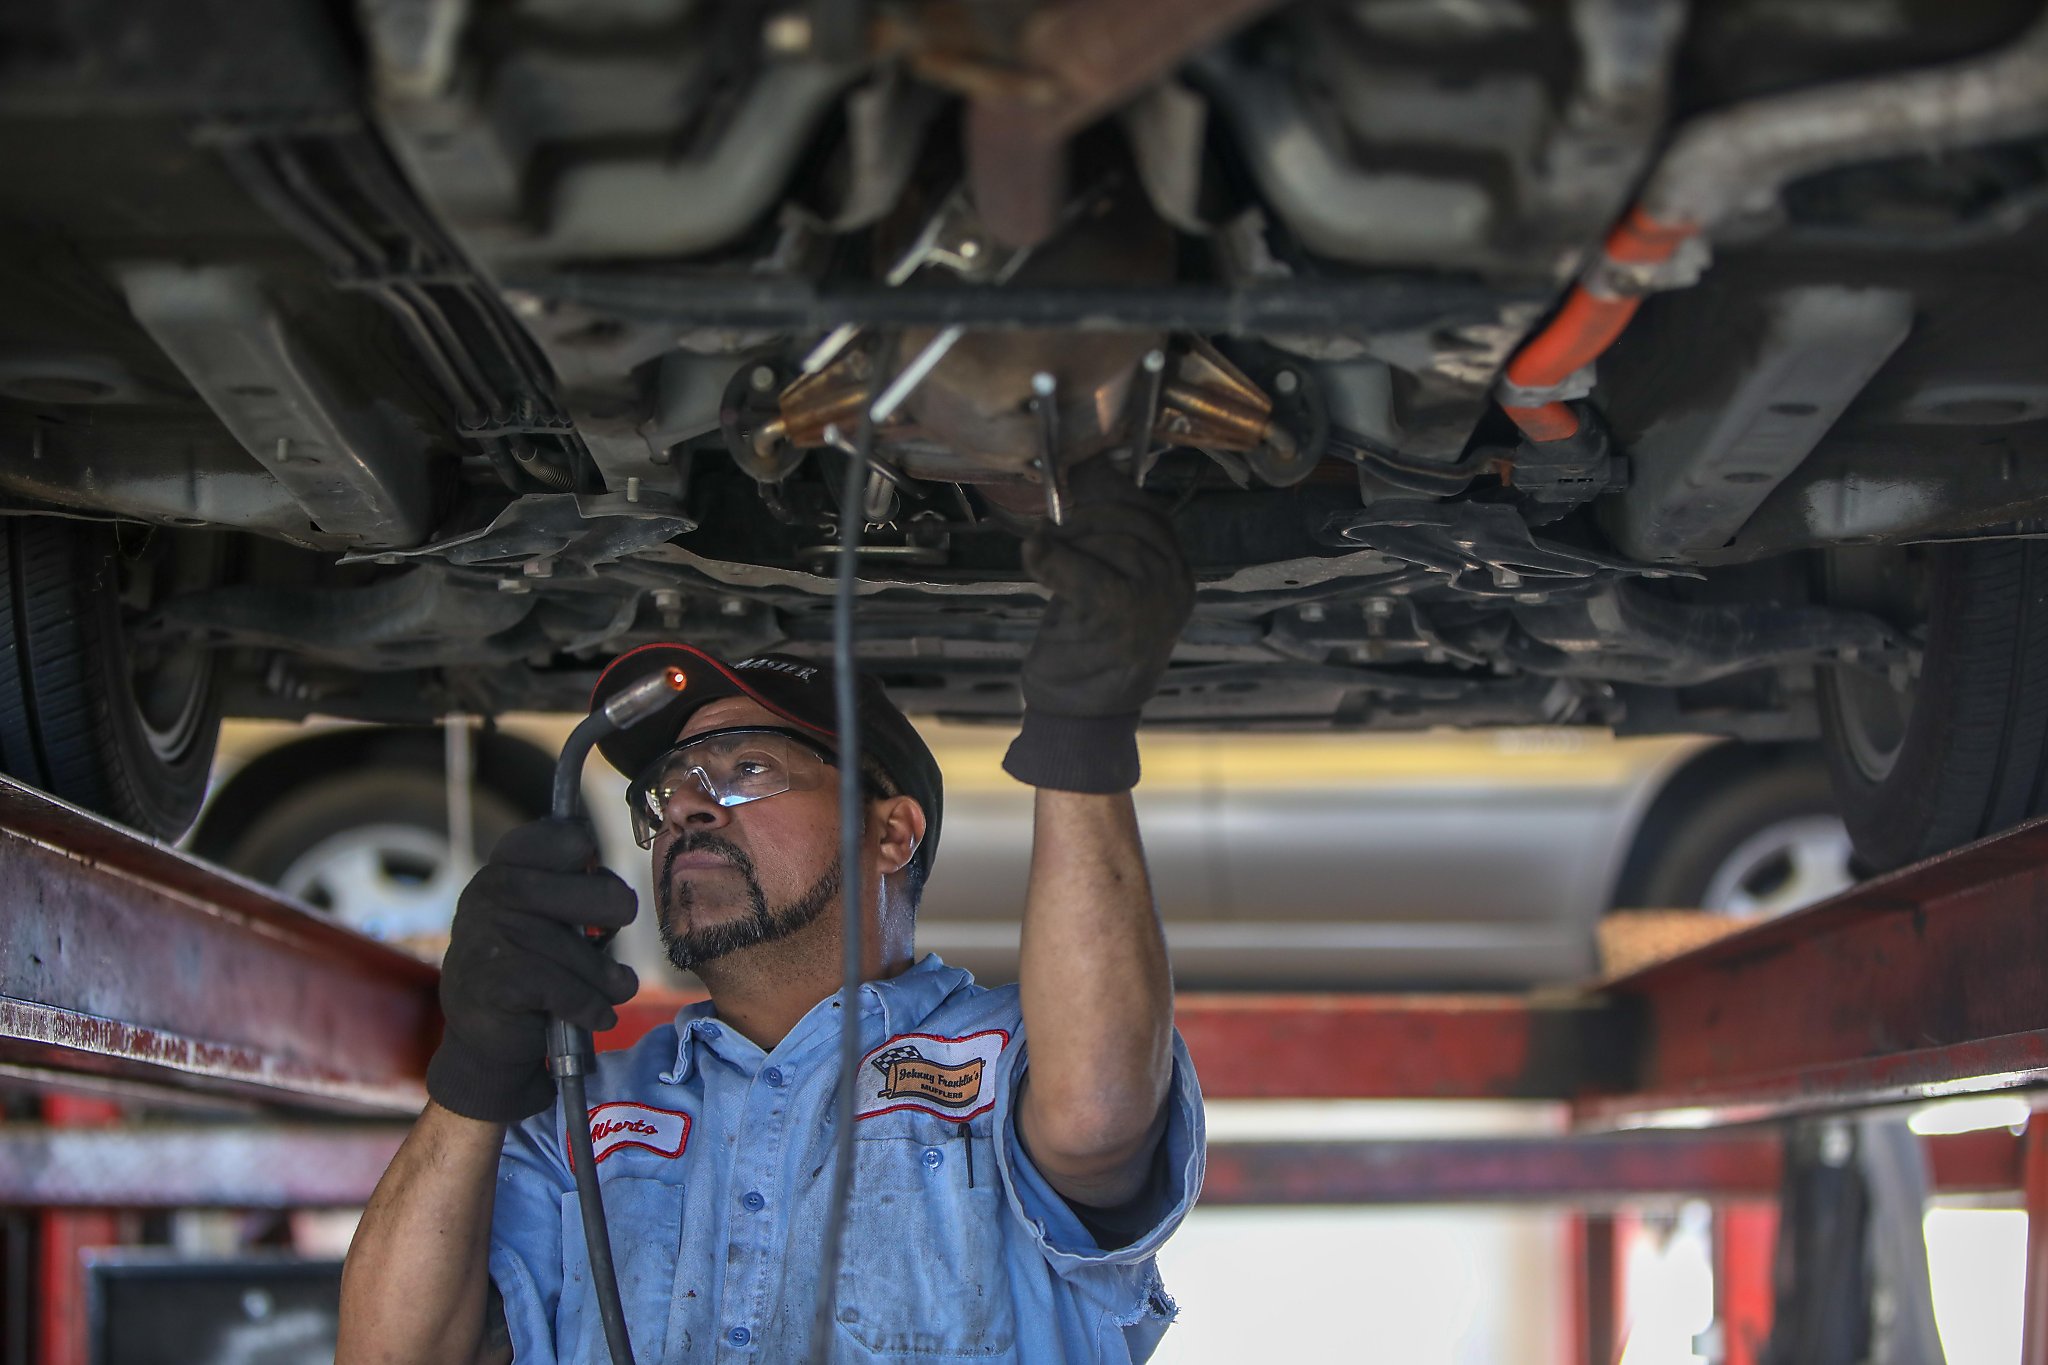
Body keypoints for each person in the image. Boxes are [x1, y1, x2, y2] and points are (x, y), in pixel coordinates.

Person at [337, 459, 1206, 1364]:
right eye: (667, 790)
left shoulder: (1001, 1064)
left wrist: (1083, 730)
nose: (686, 807)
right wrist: (473, 1076)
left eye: (747, 767)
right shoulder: (587, 1110)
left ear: (890, 832)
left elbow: (1100, 1117)